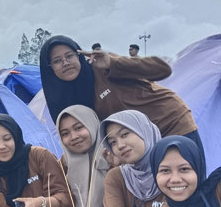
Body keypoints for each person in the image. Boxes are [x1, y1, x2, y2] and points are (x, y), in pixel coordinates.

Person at [38, 35, 200, 149]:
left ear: (79, 55)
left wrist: (113, 63)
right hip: (136, 144)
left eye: (70, 56)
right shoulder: (61, 97)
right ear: (49, 68)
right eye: (57, 61)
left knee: (186, 188)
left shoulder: (101, 67)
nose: (65, 63)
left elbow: (162, 70)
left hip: (170, 125)